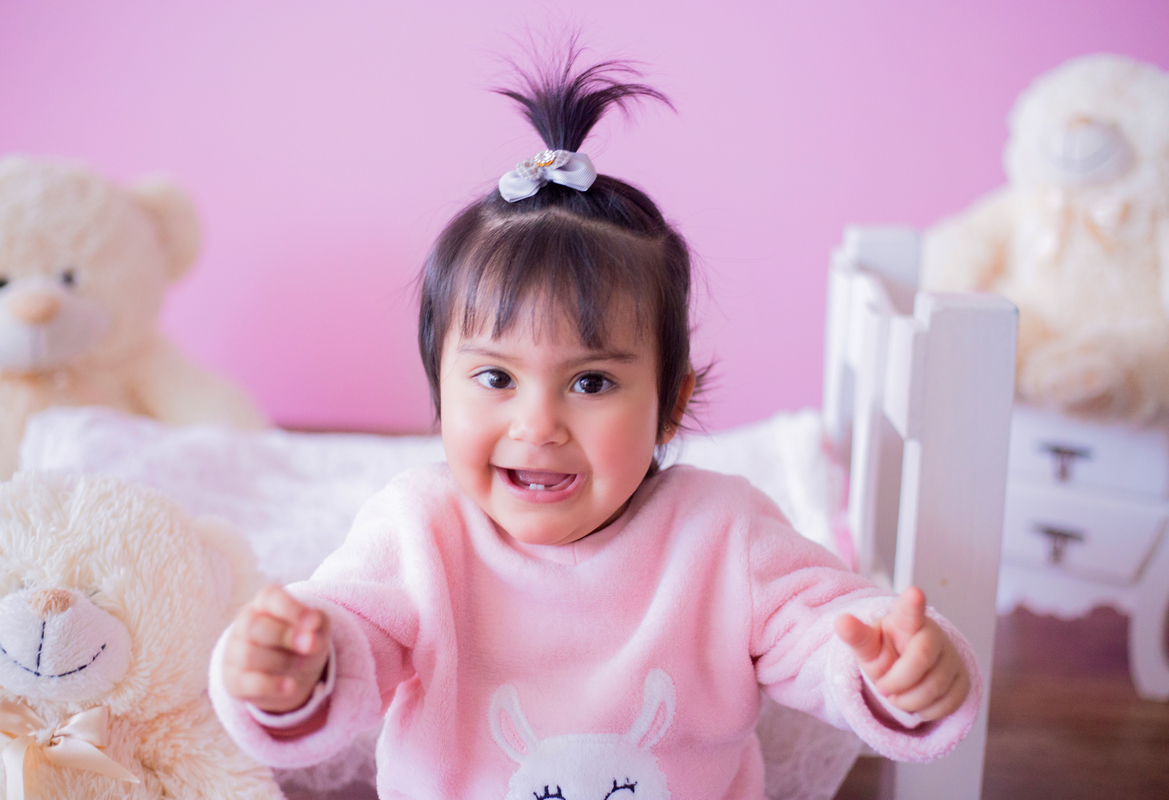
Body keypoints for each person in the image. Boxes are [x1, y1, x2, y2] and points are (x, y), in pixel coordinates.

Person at [210, 49, 979, 800]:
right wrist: (289, 671)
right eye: (494, 377)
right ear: (438, 389)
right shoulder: (422, 528)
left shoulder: (721, 533)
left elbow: (822, 628)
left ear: (670, 403)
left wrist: (893, 666)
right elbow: (347, 638)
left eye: (591, 381)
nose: (538, 423)